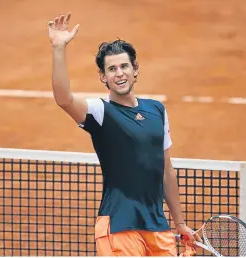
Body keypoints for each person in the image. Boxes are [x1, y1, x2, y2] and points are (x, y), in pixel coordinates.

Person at [47, 13, 201, 256]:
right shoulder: (100, 112)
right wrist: (58, 48)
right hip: (119, 225)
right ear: (103, 77)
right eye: (112, 69)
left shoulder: (157, 110)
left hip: (157, 227)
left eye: (124, 66)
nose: (119, 73)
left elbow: (166, 171)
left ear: (135, 69)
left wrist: (179, 223)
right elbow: (63, 99)